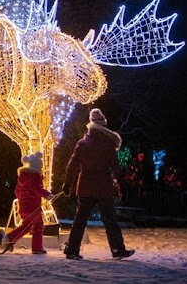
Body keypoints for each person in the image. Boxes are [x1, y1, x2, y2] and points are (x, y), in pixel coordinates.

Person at [62, 108, 135, 260]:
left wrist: (67, 184)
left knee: (80, 220)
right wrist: (123, 186)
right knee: (110, 221)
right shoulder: (109, 144)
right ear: (103, 126)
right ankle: (117, 250)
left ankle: (72, 250)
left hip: (85, 187)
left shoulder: (82, 143)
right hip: (103, 187)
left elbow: (72, 164)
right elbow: (116, 168)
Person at [1, 151, 55, 254]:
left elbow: (17, 191)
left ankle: (11, 237)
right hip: (33, 207)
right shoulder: (35, 177)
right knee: (38, 225)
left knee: (27, 225)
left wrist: (23, 198)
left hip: (23, 206)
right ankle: (37, 247)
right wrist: (48, 195)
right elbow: (37, 189)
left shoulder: (23, 177)